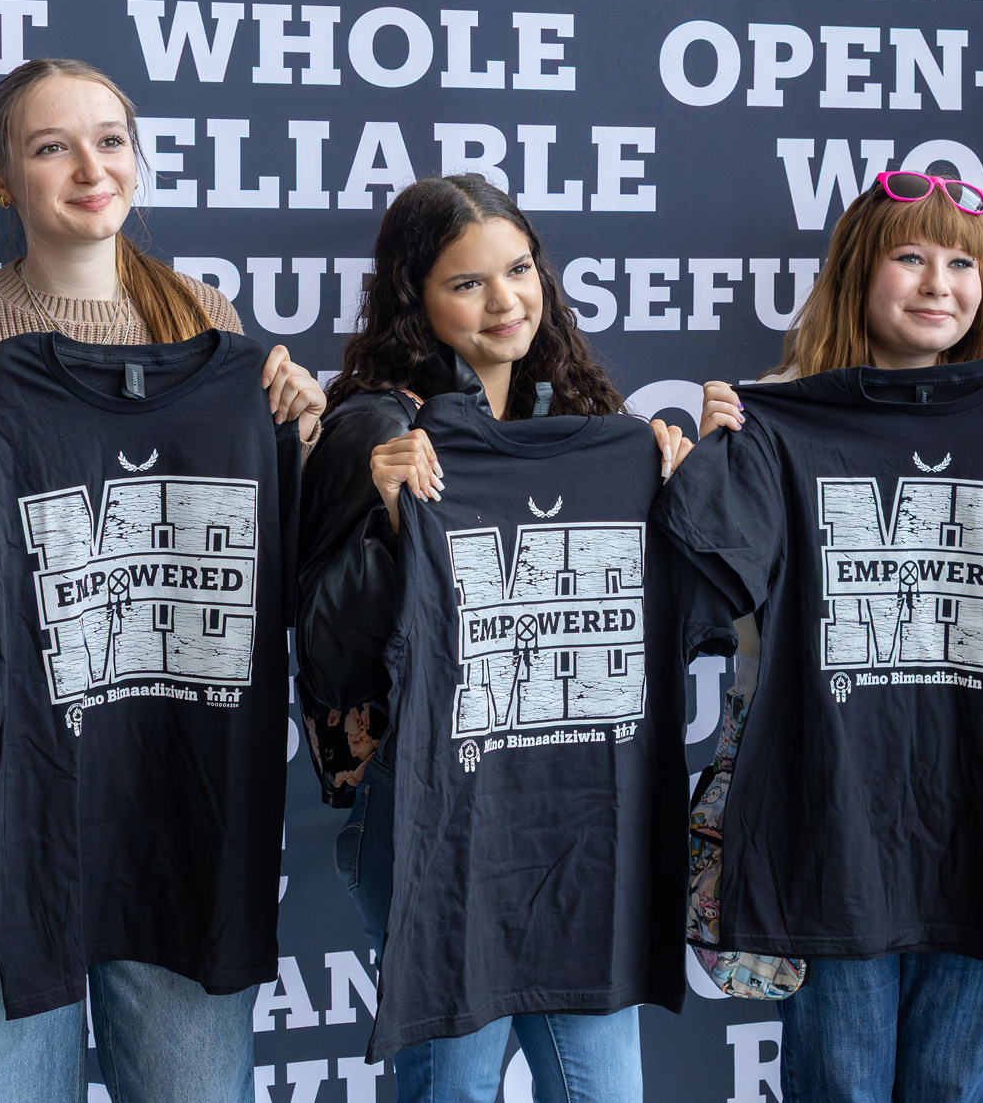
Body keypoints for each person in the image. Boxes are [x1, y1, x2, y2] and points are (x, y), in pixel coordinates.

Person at [0, 57, 324, 1103]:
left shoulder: (209, 324)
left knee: (191, 1085)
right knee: (12, 1083)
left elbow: (287, 552)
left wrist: (301, 430)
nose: (91, 166)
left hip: (172, 747)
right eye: (52, 146)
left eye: (110, 139)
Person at [668, 171, 983, 1103]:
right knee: (840, 1082)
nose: (939, 283)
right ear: (856, 273)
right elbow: (704, 595)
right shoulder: (777, 420)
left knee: (949, 1084)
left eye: (964, 262)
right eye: (911, 256)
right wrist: (718, 454)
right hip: (830, 813)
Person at [296, 173, 690, 1103]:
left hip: (574, 817)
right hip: (434, 821)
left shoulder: (585, 424)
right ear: (413, 299)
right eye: (468, 283)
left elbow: (668, 633)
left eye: (519, 270)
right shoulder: (380, 427)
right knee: (455, 1091)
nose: (506, 300)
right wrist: (394, 529)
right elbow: (324, 653)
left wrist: (677, 504)